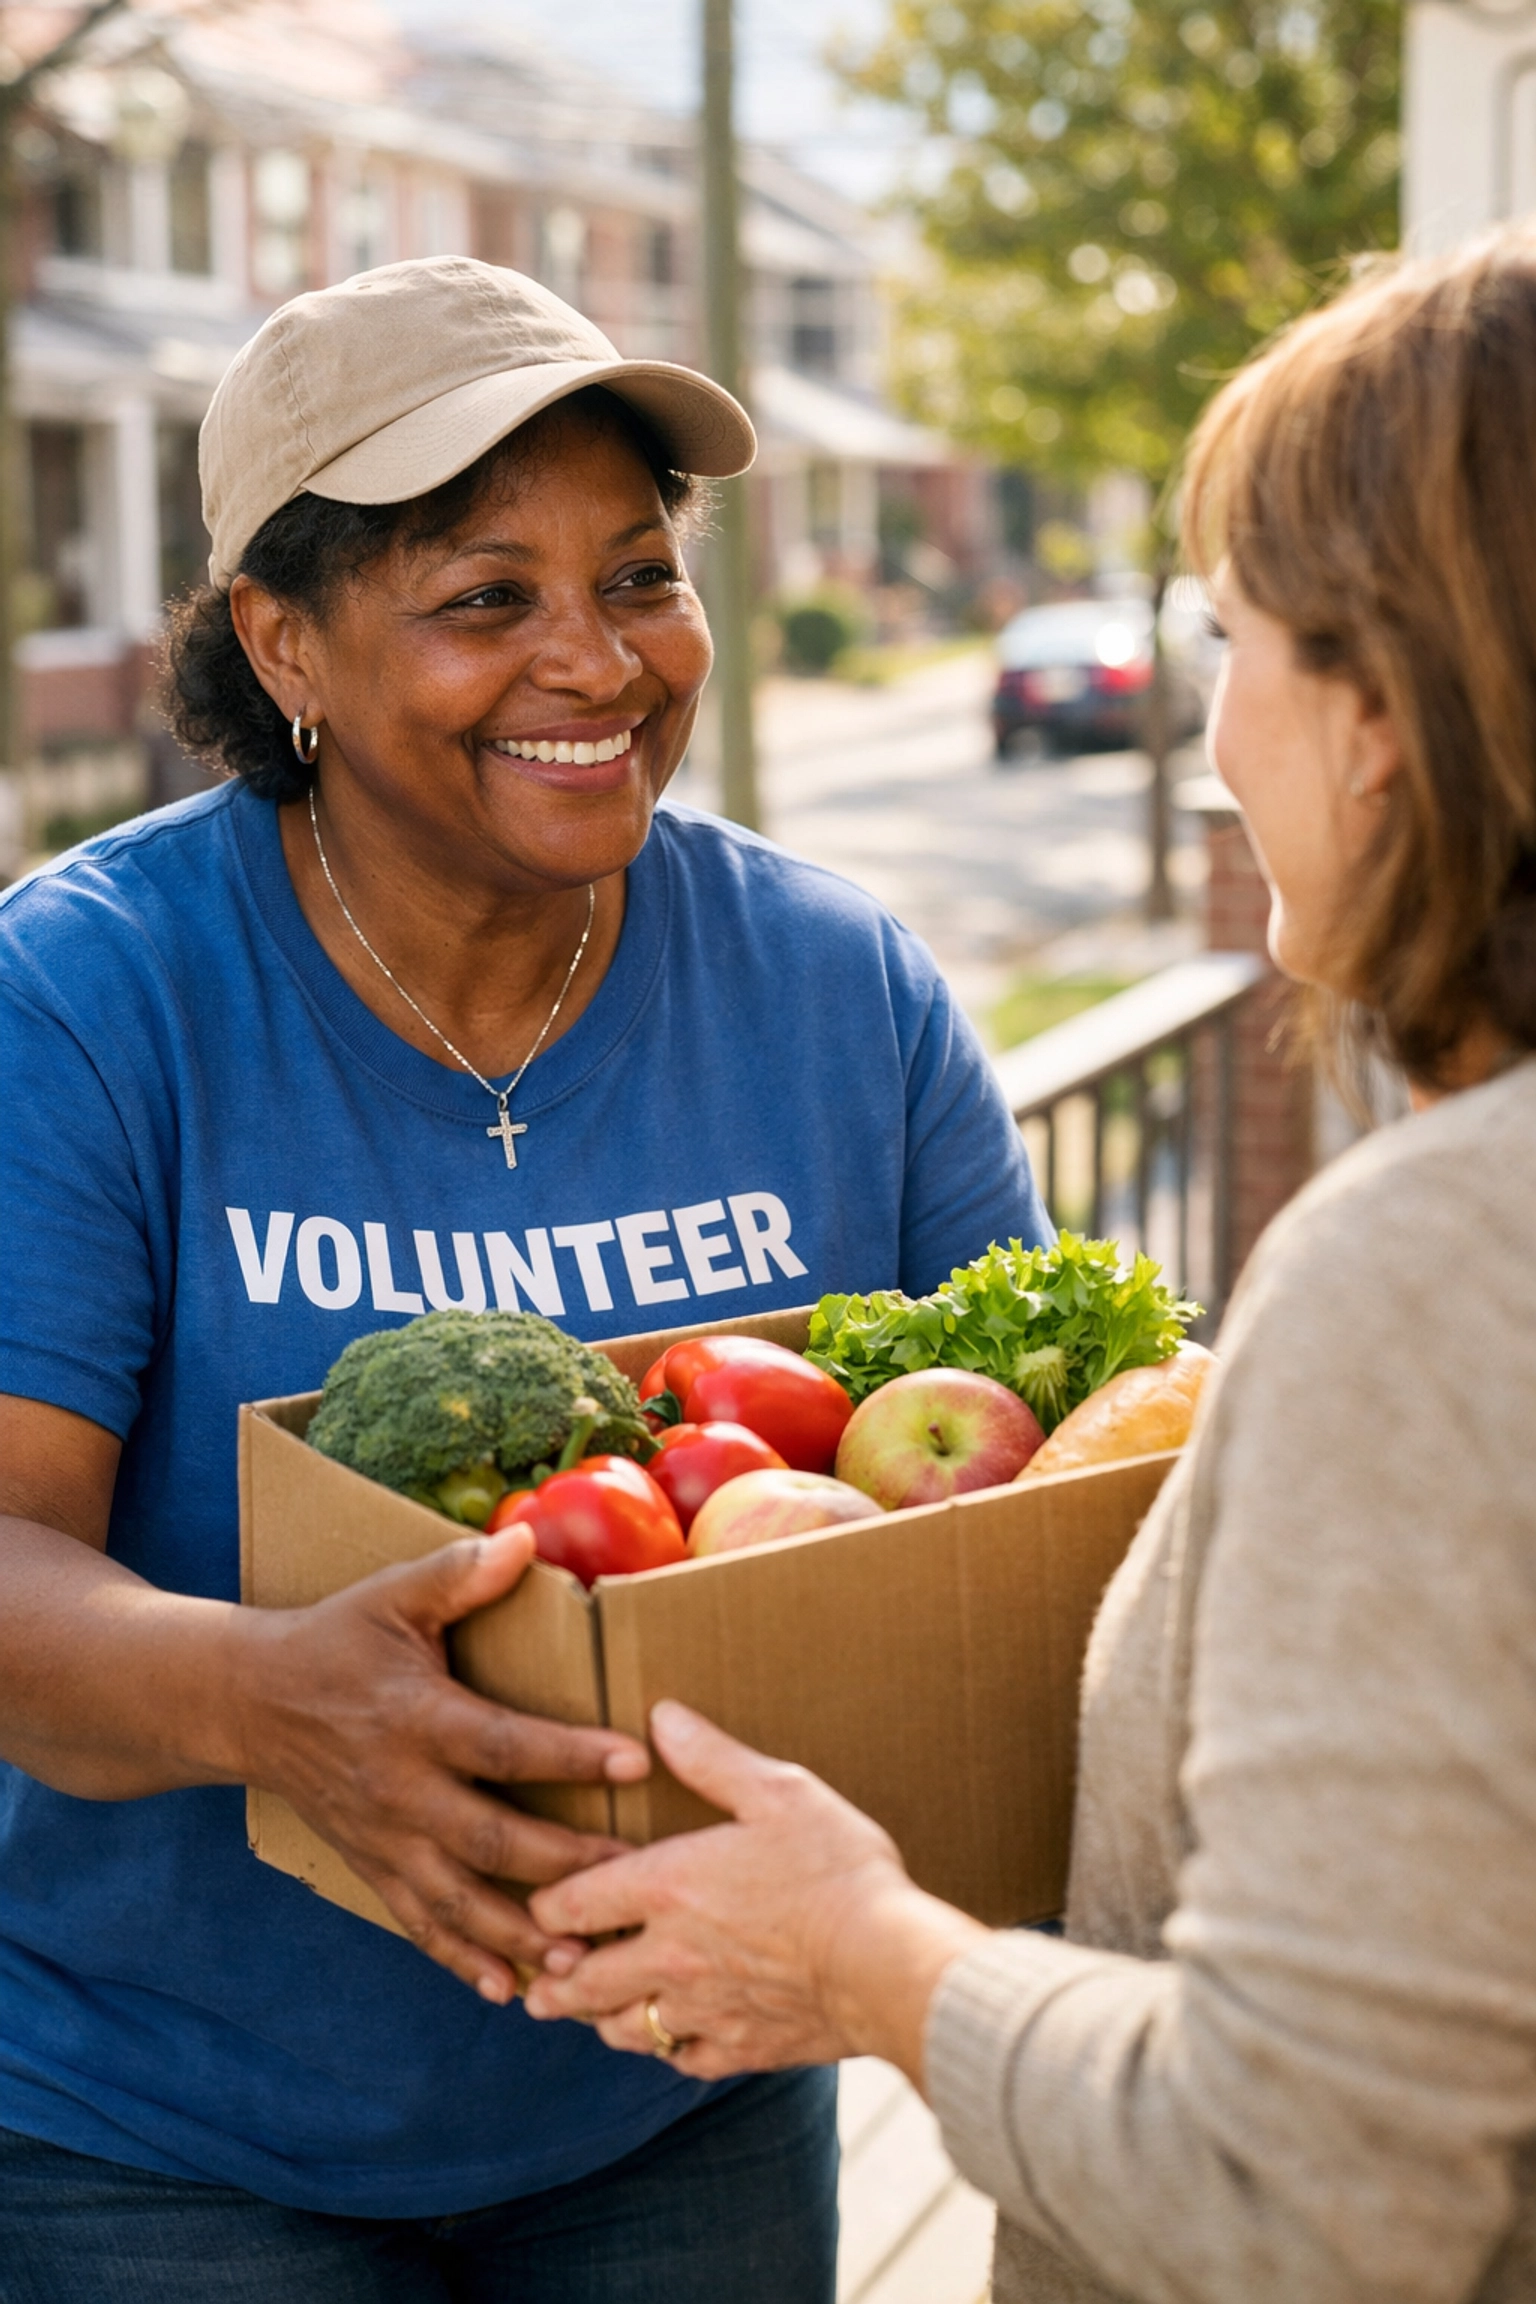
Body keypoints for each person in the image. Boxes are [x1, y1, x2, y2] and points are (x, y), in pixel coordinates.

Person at [0, 257, 1050, 2302]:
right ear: (283, 639)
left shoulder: (842, 994)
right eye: (487, 598)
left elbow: (1041, 1505)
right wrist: (266, 1704)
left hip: (684, 2097)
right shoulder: (86, 999)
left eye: (642, 575)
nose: (602, 660)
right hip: (163, 2146)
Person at [521, 229, 1536, 2304]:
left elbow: (1312, 2191)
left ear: (1379, 714)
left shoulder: (1440, 1265)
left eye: (1225, 637)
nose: (1213, 732)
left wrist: (866, 1955)